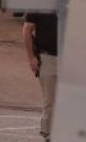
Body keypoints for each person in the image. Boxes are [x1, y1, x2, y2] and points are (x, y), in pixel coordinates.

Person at [24, 11, 58, 140]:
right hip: (47, 57)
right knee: (49, 101)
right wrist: (31, 57)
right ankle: (48, 135)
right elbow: (27, 30)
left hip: (70, 56)